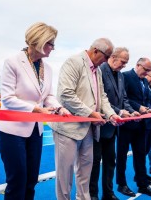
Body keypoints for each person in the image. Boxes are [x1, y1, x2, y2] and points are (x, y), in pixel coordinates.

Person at [0, 22, 71, 200]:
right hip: (12, 130)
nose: (53, 47)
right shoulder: (12, 62)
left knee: (31, 180)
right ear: (39, 40)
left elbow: (48, 96)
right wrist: (35, 109)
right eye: (50, 43)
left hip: (35, 131)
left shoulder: (49, 68)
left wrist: (58, 107)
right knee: (17, 180)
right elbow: (7, 98)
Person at [49, 38, 122, 200]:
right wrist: (91, 113)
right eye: (107, 56)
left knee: (85, 172)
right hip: (68, 129)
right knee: (65, 175)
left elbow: (101, 97)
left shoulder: (98, 70)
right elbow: (66, 94)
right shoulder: (73, 62)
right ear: (96, 51)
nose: (107, 61)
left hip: (89, 129)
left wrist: (111, 114)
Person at [89, 47, 135, 200]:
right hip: (99, 125)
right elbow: (101, 99)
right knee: (95, 164)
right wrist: (119, 112)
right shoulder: (100, 70)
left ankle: (108, 194)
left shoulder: (121, 76)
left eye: (126, 63)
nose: (124, 65)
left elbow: (124, 99)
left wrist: (130, 110)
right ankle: (93, 195)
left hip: (113, 128)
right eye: (123, 61)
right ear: (113, 57)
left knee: (110, 163)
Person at [117, 57, 151, 198]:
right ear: (138, 65)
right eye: (146, 70)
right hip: (126, 124)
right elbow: (123, 99)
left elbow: (144, 100)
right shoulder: (126, 76)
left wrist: (147, 109)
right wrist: (139, 107)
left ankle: (142, 185)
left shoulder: (143, 81)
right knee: (122, 156)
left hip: (141, 125)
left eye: (149, 71)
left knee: (140, 155)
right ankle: (121, 184)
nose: (147, 73)